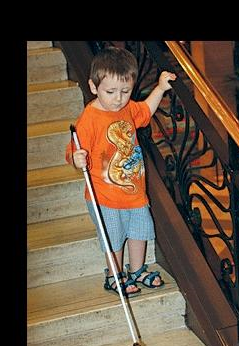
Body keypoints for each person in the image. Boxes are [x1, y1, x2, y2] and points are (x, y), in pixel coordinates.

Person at [65, 46, 176, 297]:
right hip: (104, 196)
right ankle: (114, 274)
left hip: (134, 193)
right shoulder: (89, 119)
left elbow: (146, 111)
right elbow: (73, 151)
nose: (118, 98)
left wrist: (159, 88)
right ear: (94, 87)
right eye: (111, 92)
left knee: (139, 232)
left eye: (125, 91)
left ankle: (137, 270)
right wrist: (76, 158)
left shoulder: (126, 109)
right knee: (113, 238)